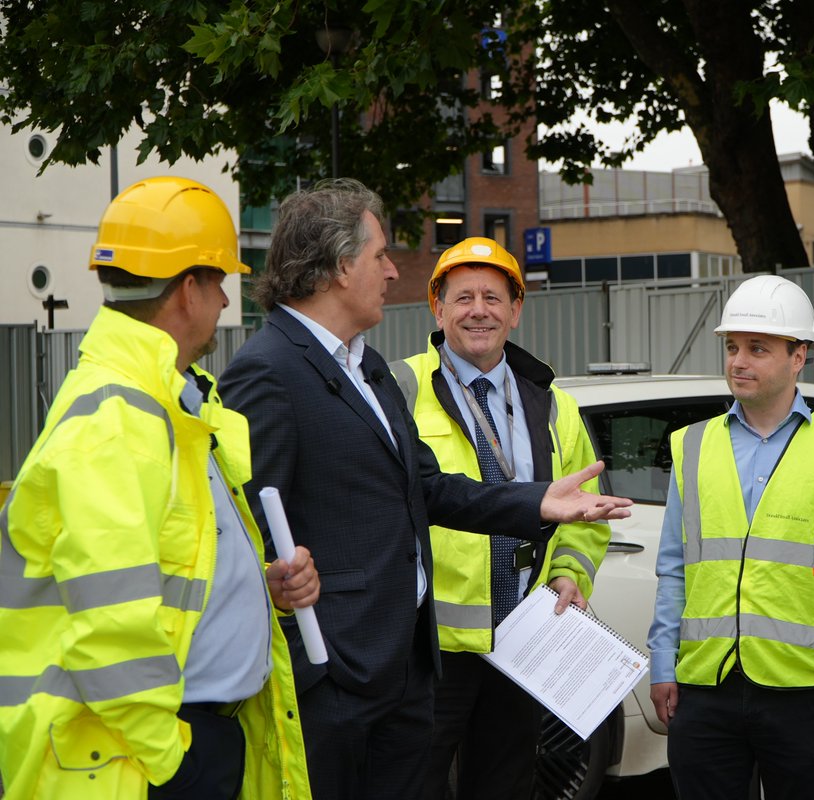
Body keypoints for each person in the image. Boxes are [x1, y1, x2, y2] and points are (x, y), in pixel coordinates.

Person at [219, 179, 631, 798]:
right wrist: (277, 591)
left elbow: (428, 488)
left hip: (416, 663)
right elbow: (245, 520)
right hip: (344, 670)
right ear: (340, 267)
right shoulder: (270, 369)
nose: (392, 271)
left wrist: (537, 503)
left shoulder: (366, 368)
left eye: (493, 297)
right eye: (381, 255)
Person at [0, 176, 319, 799]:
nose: (225, 300)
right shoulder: (119, 420)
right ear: (189, 288)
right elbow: (110, 624)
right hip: (144, 759)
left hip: (169, 739)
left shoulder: (164, 401)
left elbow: (167, 565)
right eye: (220, 282)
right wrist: (174, 759)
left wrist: (261, 586)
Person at [389, 237, 611, 800]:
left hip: (521, 640)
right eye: (463, 297)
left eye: (493, 297)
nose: (479, 311)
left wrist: (570, 574)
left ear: (516, 310)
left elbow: (585, 513)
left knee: (505, 788)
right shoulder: (400, 388)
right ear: (436, 308)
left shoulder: (553, 404)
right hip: (428, 649)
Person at [646, 274, 814, 800]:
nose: (738, 361)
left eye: (757, 348)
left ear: (799, 356)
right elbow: (674, 568)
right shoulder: (691, 445)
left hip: (800, 688)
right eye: (732, 347)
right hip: (704, 684)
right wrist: (663, 663)